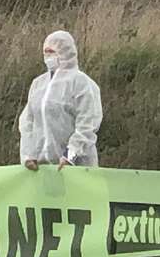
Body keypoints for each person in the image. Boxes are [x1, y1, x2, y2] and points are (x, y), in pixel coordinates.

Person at [18, 30, 103, 170]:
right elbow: (27, 122)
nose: (47, 56)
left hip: (78, 168)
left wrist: (70, 155)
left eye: (51, 52)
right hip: (42, 169)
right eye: (45, 52)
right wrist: (29, 155)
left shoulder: (82, 83)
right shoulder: (38, 84)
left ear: (66, 52)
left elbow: (88, 124)